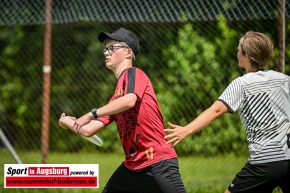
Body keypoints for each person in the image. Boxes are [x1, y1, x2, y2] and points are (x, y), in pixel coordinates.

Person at [59, 27, 186, 193]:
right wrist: (69, 122)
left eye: (112, 48)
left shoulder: (134, 73)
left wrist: (91, 114)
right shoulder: (115, 98)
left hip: (157, 161)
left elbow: (130, 100)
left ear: (128, 52)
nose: (106, 52)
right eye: (105, 48)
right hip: (132, 166)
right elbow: (89, 130)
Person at [164, 31, 290, 193]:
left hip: (265, 161)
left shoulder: (242, 84)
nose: (237, 52)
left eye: (239, 50)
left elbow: (216, 110)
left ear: (247, 57)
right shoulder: (284, 80)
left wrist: (186, 130)